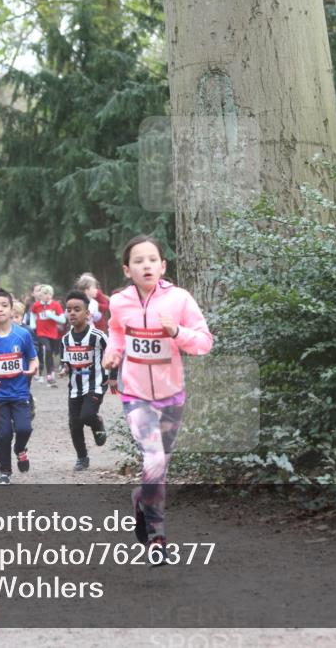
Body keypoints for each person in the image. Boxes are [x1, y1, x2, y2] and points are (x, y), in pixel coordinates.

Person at [103, 235, 213, 565]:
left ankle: (141, 499)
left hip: (171, 395)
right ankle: (157, 536)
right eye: (138, 261)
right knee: (153, 460)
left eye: (153, 259)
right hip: (135, 395)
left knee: (159, 466)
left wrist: (177, 332)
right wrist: (113, 352)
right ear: (127, 269)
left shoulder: (179, 300)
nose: (146, 265)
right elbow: (117, 332)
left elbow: (205, 342)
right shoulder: (119, 301)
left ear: (163, 266)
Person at [0, 289, 38, 485]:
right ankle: (4, 471)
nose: (0, 310)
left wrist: (31, 369)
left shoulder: (23, 335)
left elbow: (32, 358)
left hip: (20, 392)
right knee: (3, 434)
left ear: (11, 308)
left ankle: (20, 449)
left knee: (24, 429)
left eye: (4, 305)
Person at [58, 290, 111, 471]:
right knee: (75, 424)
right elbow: (66, 361)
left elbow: (112, 354)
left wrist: (112, 377)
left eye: (77, 309)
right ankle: (82, 458)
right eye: (69, 309)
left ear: (87, 314)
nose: (72, 313)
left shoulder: (98, 336)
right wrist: (64, 369)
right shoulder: (66, 339)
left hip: (95, 385)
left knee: (87, 416)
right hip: (74, 388)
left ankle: (97, 423)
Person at [30, 284, 65, 388]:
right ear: (40, 295)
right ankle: (49, 374)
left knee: (51, 352)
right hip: (41, 332)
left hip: (53, 333)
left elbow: (63, 320)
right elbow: (32, 314)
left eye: (50, 293)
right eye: (45, 293)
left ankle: (51, 373)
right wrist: (33, 324)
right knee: (47, 349)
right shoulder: (36, 305)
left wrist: (52, 316)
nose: (47, 296)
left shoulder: (55, 305)